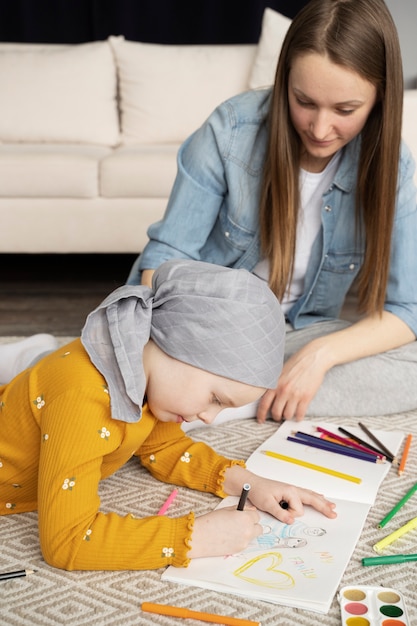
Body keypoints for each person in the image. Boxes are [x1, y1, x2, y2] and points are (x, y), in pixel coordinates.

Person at [126, 0, 417, 422]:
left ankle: (221, 399)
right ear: (284, 82)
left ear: (379, 101)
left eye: (345, 111)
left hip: (297, 335)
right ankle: (237, 395)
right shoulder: (231, 131)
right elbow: (161, 266)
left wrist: (319, 356)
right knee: (110, 378)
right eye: (304, 101)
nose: (319, 130)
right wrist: (194, 348)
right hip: (201, 330)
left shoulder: (395, 166)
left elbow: (406, 310)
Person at [0, 259, 337, 571]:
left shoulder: (142, 372)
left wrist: (252, 483)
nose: (208, 418)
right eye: (215, 398)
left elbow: (163, 448)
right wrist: (192, 539)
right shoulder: (83, 397)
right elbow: (67, 542)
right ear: (178, 345)